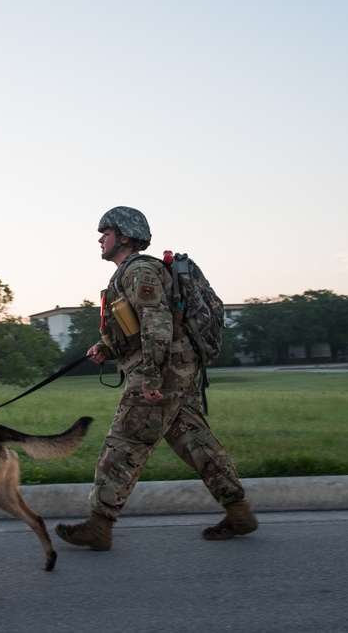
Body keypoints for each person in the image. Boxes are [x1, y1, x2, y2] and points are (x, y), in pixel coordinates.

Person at [55, 206, 257, 551]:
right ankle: (238, 512)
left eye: (106, 233)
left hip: (162, 373)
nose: (100, 240)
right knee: (194, 441)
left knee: (125, 441)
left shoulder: (140, 271)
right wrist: (106, 347)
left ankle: (99, 524)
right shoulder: (130, 273)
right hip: (172, 370)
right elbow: (134, 328)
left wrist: (150, 377)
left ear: (125, 236)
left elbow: (157, 323)